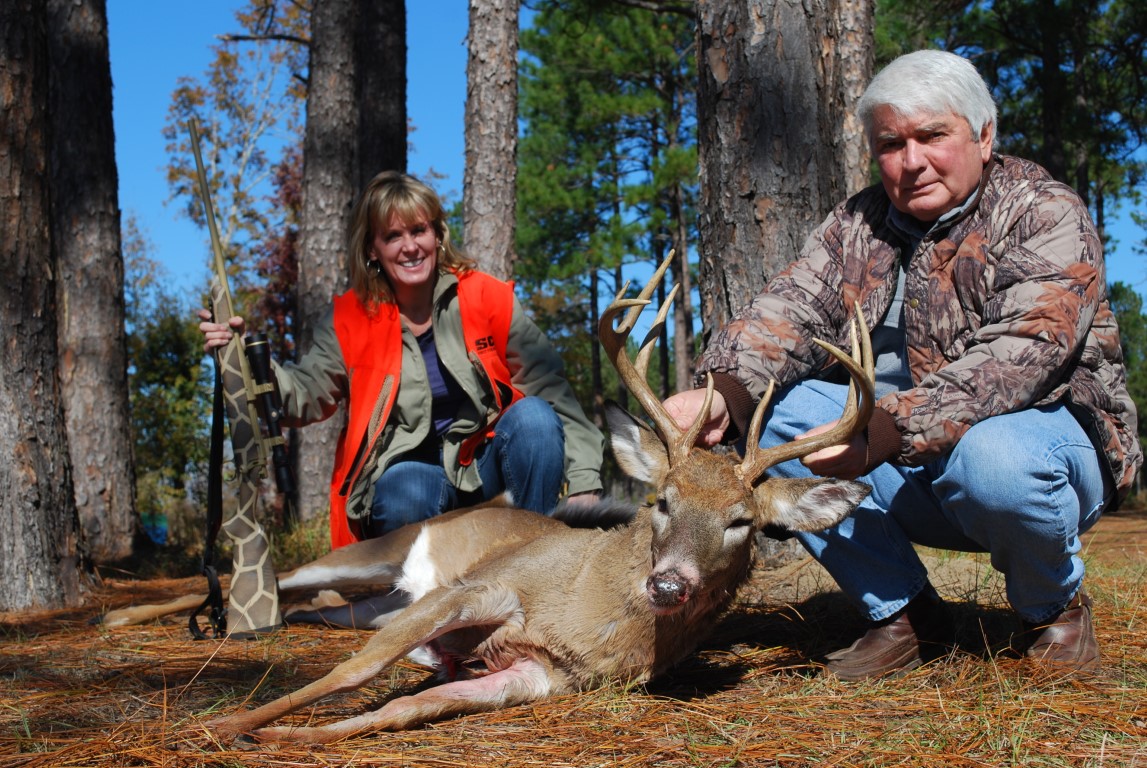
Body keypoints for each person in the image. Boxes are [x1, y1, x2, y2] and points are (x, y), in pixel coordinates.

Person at [664, 49, 1141, 679]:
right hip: (899, 460)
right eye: (891, 143)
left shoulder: (1043, 210)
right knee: (773, 419)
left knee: (995, 458)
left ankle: (1053, 613)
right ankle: (906, 614)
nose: (911, 160)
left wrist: (885, 429)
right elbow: (790, 310)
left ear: (985, 134)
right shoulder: (856, 225)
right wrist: (723, 391)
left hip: (1034, 455)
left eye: (932, 135)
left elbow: (1024, 351)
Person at [201, 171, 604, 548]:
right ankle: (422, 604)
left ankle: (529, 568)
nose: (409, 246)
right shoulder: (349, 319)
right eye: (392, 236)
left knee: (534, 418)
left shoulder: (486, 297)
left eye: (418, 230)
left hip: (485, 470)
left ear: (437, 235)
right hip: (412, 479)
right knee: (403, 490)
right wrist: (241, 358)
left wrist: (585, 479)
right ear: (373, 250)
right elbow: (305, 395)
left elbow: (551, 387)